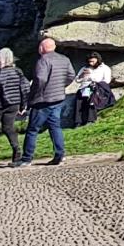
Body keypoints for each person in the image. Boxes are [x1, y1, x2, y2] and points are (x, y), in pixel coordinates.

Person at [16, 37, 75, 167]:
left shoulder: (43, 60)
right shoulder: (64, 59)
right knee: (55, 127)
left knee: (32, 129)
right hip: (58, 98)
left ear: (42, 48)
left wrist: (32, 96)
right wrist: (60, 86)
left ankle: (26, 158)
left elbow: (40, 79)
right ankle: (59, 155)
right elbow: (71, 76)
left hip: (43, 100)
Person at [67, 52, 112, 128]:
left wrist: (91, 77)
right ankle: (78, 122)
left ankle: (90, 120)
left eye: (93, 62)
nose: (91, 63)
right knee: (79, 102)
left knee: (91, 102)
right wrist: (82, 76)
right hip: (84, 88)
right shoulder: (85, 68)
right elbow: (77, 80)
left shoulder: (105, 68)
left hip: (98, 88)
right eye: (89, 61)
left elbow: (107, 80)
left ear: (98, 60)